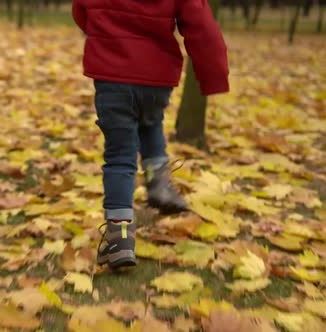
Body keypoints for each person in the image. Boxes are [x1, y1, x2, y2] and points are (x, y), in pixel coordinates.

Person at [72, 0, 229, 269]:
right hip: (156, 76)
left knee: (120, 155)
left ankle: (120, 237)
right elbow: (201, 25)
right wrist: (213, 75)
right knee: (150, 121)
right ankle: (160, 184)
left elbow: (80, 12)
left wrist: (104, 34)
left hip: (112, 75)